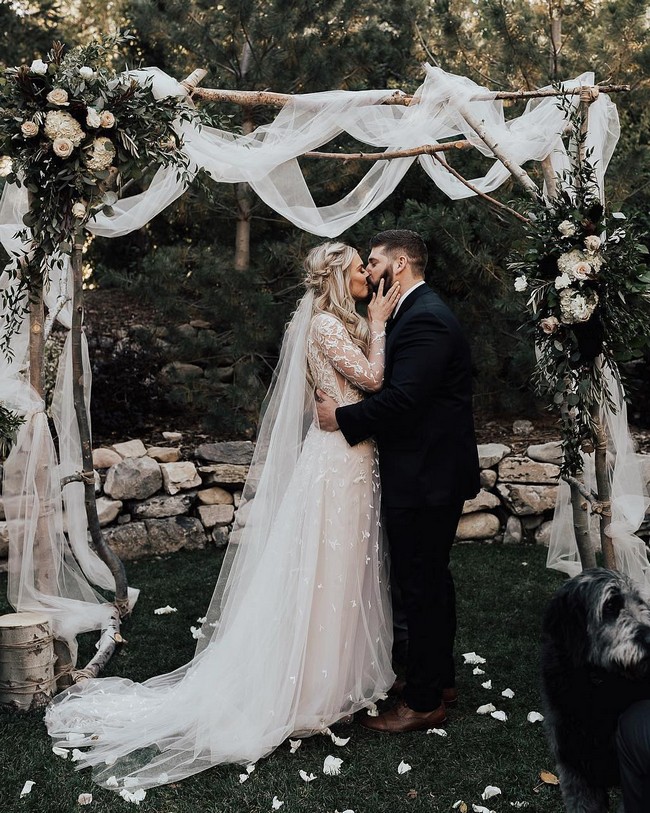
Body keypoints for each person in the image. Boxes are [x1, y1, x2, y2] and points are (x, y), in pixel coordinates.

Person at [44, 242, 400, 791]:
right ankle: (309, 689)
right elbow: (374, 381)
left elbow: (325, 399)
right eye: (358, 270)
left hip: (348, 457)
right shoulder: (329, 324)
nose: (365, 279)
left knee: (344, 572)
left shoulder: (332, 325)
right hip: (337, 466)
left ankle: (333, 683)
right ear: (336, 277)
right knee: (328, 572)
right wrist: (377, 322)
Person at [316, 229, 480, 733]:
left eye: (373, 261)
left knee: (422, 583)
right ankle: (437, 678)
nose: (367, 271)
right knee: (427, 581)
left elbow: (404, 398)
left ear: (401, 263)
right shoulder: (410, 311)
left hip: (428, 475)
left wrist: (341, 419)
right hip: (425, 470)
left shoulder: (425, 317)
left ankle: (425, 701)